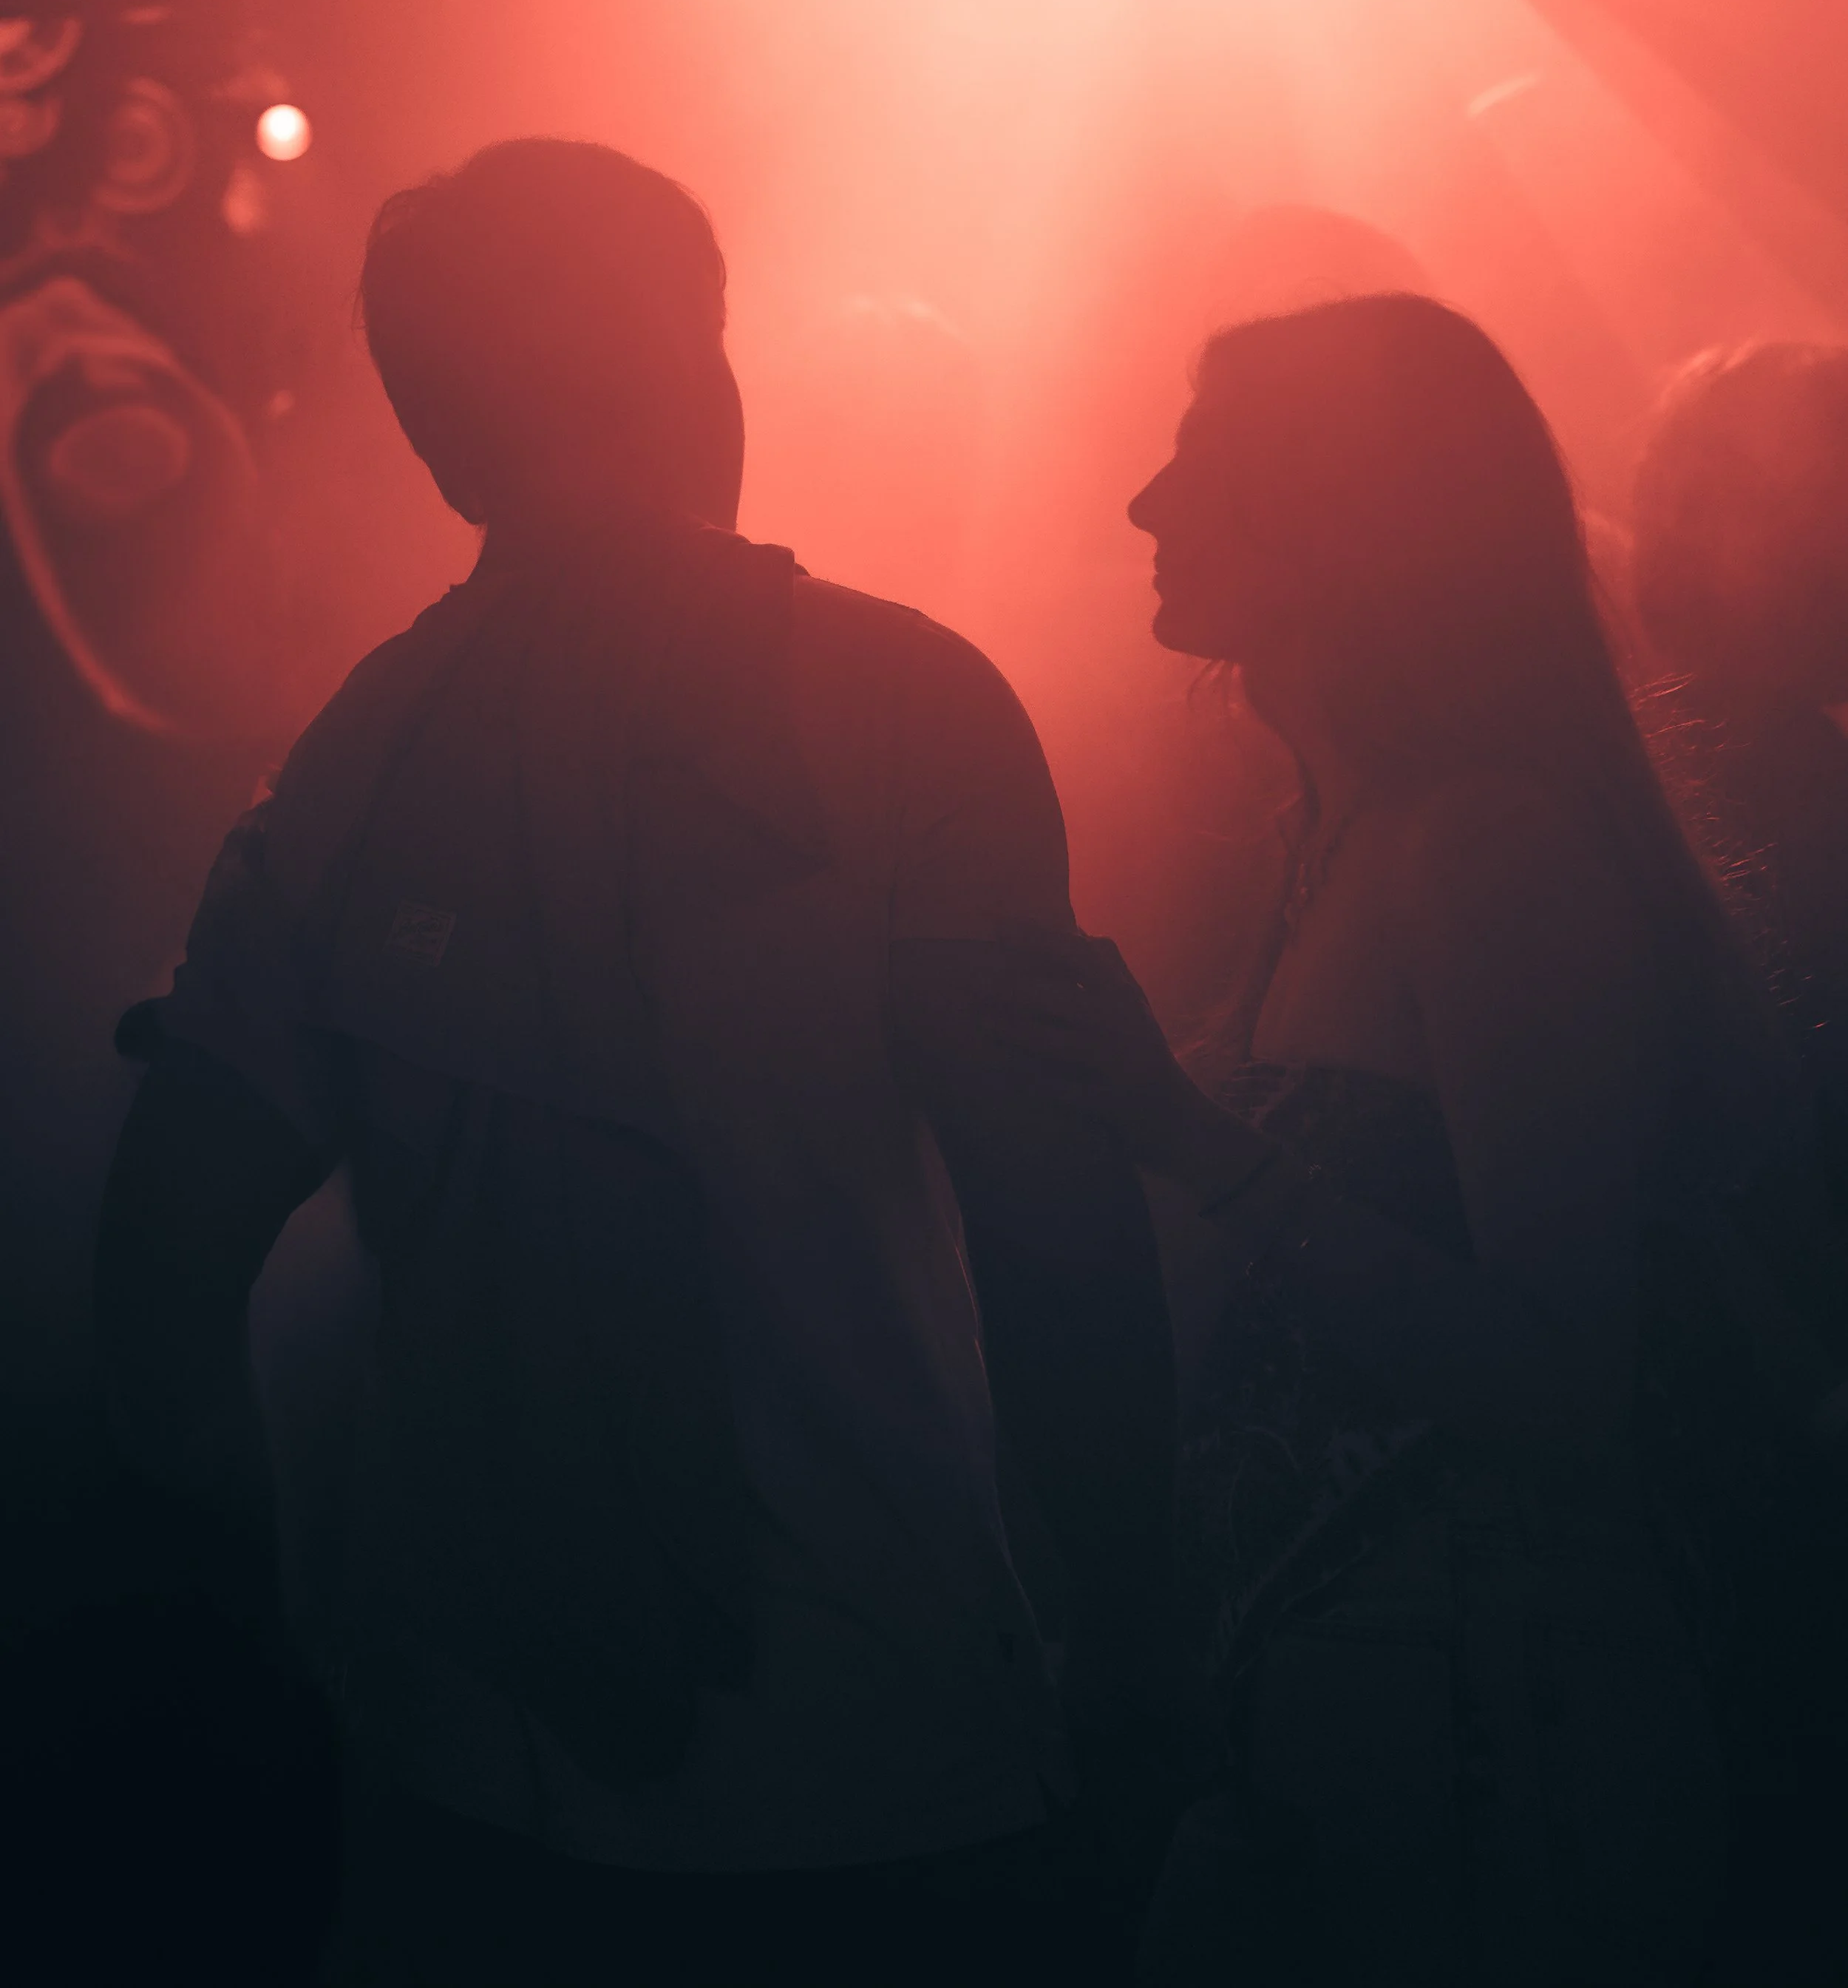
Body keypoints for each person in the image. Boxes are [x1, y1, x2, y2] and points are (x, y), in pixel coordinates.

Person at [94, 138, 1183, 1988]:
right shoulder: (905, 705)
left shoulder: (343, 774)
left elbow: (157, 1275)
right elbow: (1053, 1228)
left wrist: (266, 1660)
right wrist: (1144, 1646)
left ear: (438, 443)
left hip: (467, 1786)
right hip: (881, 1761)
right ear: (699, 364)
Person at [980, 293, 1841, 1988]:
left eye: (1200, 458)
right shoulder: (1349, 824)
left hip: (1502, 1722)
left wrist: (1181, 1132)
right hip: (1362, 1696)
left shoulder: (1489, 848)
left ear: (1340, 513)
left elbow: (1564, 1375)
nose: (1143, 503)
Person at [1633, 342, 1848, 1212]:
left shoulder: (1791, 779)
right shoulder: (1682, 747)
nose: (1669, 518)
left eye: (1726, 485)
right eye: (1665, 476)